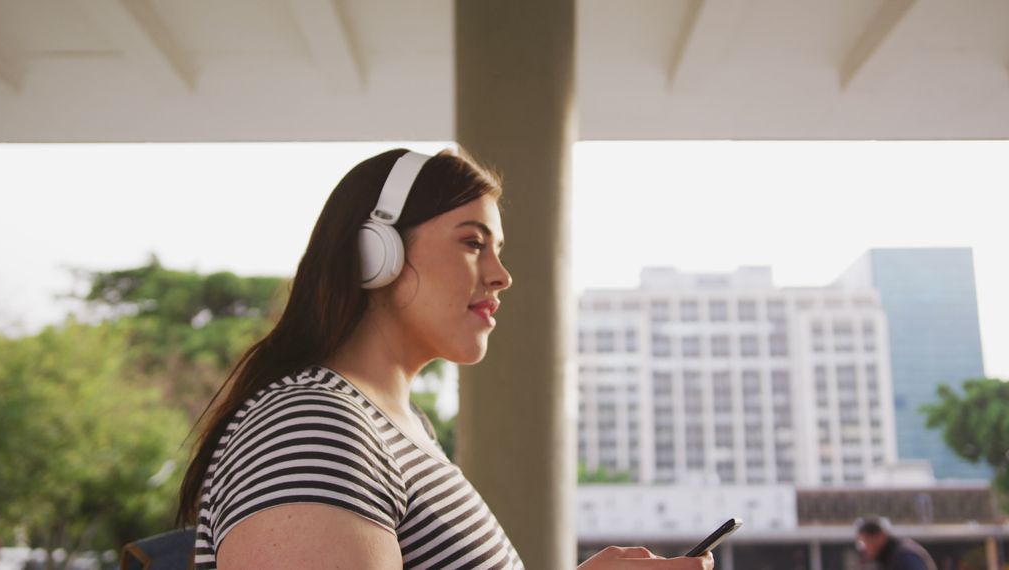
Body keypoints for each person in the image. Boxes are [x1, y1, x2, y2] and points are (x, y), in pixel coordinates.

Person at [176, 148, 714, 570]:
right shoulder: (312, 425)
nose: (502, 275)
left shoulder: (400, 430)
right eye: (473, 242)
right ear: (375, 252)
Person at [856, 517, 937, 570]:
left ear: (881, 537)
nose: (863, 547)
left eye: (866, 541)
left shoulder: (905, 556)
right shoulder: (886, 557)